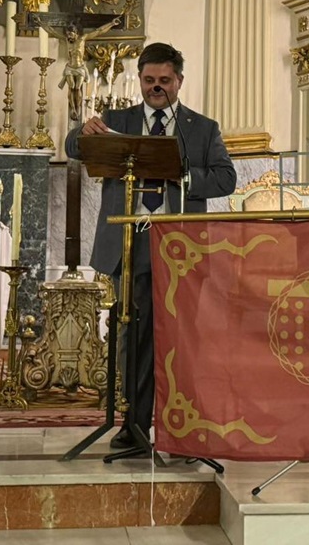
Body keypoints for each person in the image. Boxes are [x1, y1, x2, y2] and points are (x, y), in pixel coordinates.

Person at [65, 42, 236, 452]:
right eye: (148, 81)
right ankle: (134, 425)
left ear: (179, 80)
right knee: (133, 336)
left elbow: (225, 179)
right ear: (139, 79)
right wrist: (82, 131)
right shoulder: (118, 119)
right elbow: (75, 148)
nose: (155, 88)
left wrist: (181, 175)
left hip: (180, 243)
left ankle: (184, 426)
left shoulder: (201, 128)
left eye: (164, 81)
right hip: (131, 237)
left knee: (180, 337)